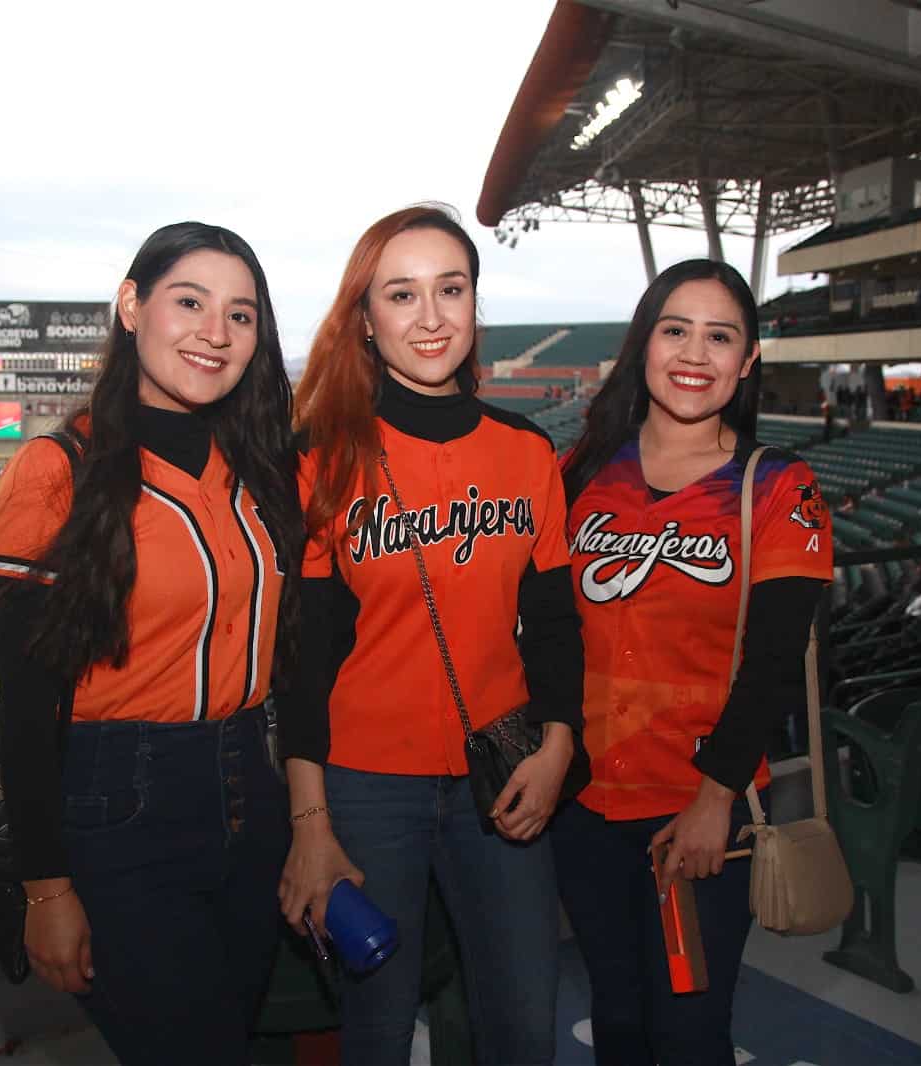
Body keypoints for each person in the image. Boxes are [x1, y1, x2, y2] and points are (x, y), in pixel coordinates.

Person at [0, 222, 301, 1066]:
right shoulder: (56, 470)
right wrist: (46, 886)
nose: (215, 332)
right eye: (189, 302)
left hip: (252, 794)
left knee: (233, 1035)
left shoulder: (261, 462)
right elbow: (24, 702)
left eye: (241, 314)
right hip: (117, 807)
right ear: (131, 305)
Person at [277, 205, 584, 1066]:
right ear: (366, 321)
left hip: (505, 776)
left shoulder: (527, 451)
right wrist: (310, 820)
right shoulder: (323, 455)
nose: (431, 316)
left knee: (526, 1023)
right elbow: (301, 663)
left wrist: (559, 743)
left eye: (450, 289)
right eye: (401, 294)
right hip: (367, 787)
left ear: (474, 303)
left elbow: (557, 625)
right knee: (375, 1032)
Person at [556, 259, 832, 1064]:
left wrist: (715, 798)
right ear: (645, 342)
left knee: (689, 1029)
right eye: (676, 329)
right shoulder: (580, 475)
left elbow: (775, 661)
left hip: (699, 808)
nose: (694, 353)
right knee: (619, 1014)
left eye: (721, 337)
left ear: (747, 361)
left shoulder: (779, 486)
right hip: (584, 802)